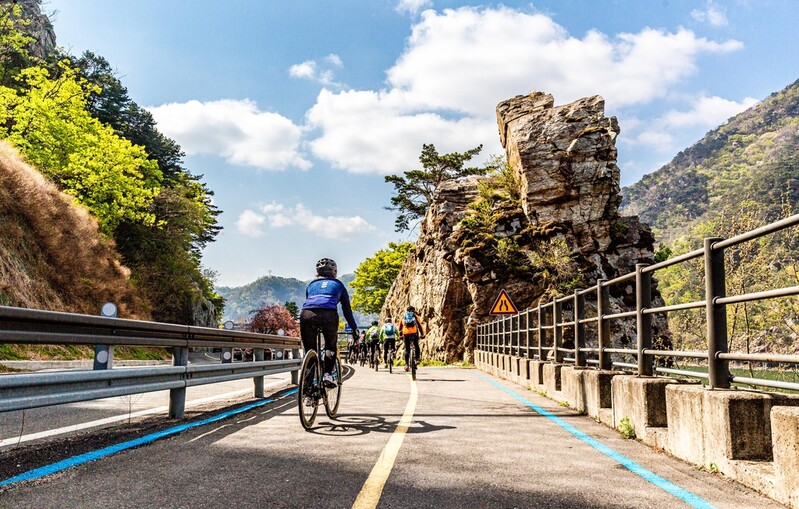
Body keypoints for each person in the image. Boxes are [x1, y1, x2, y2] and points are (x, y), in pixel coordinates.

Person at [300, 258, 359, 386]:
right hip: (329, 315)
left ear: (318, 273)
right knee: (330, 346)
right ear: (334, 272)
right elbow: (347, 310)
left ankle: (307, 388)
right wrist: (354, 329)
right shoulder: (339, 285)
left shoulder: (311, 285)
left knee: (310, 350)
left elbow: (310, 302)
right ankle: (327, 374)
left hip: (307, 314)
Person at [399, 306, 424, 372]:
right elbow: (420, 326)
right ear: (414, 310)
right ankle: (417, 359)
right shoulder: (415, 316)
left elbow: (400, 327)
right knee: (416, 345)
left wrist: (400, 335)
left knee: (407, 348)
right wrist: (422, 335)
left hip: (406, 333)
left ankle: (406, 364)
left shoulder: (403, 316)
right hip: (414, 333)